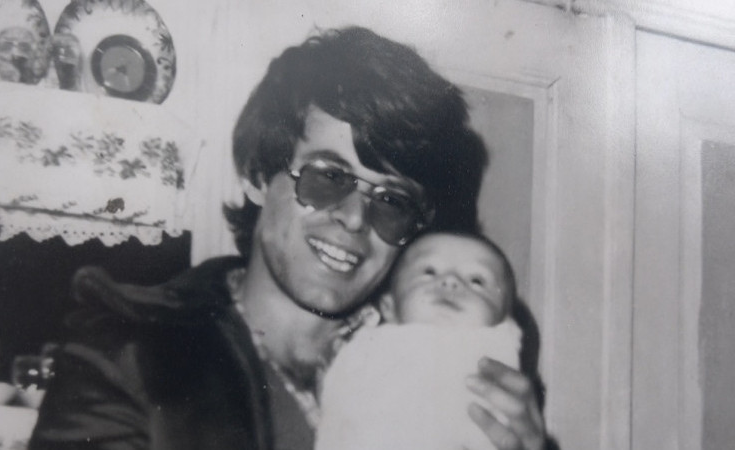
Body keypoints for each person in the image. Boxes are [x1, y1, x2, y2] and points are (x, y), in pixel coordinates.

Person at [29, 26, 546, 450]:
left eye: (391, 202)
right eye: (328, 178)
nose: (355, 218)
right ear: (259, 174)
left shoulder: (444, 364)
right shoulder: (131, 355)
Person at [315, 232, 522, 450]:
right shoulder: (369, 348)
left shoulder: (494, 353)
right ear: (389, 308)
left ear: (504, 319)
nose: (451, 281)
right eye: (429, 272)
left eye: (477, 280)